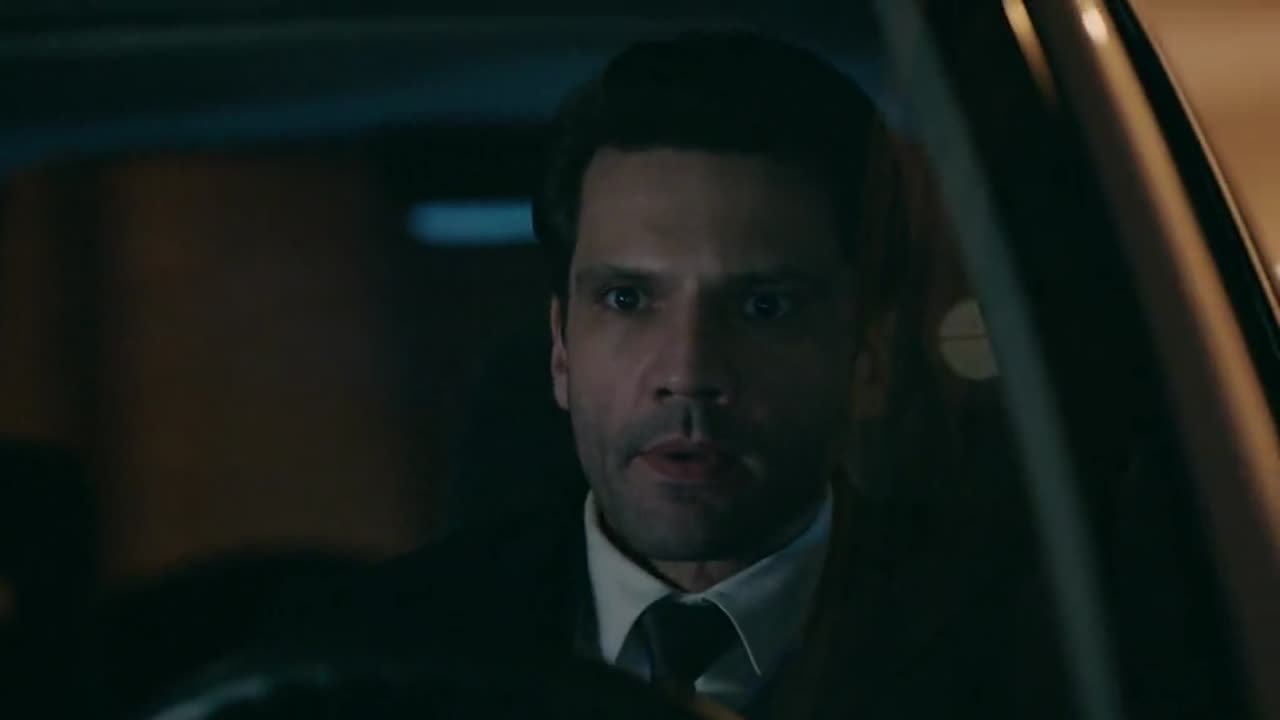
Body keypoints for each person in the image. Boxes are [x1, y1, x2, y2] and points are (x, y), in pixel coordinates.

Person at [258, 31, 1069, 720]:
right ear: (562, 351)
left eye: (763, 307)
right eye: (627, 299)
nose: (687, 373)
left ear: (869, 361)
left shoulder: (1046, 646)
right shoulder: (380, 658)